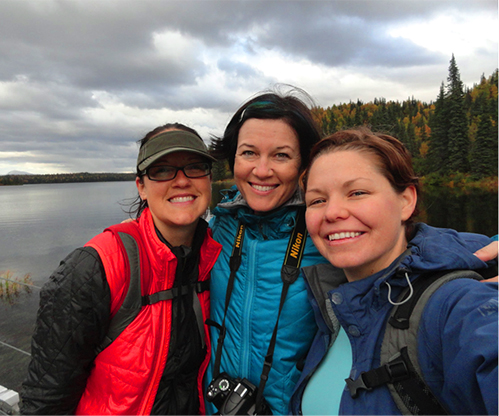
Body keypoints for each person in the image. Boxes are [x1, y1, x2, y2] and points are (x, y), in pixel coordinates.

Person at [290, 127, 498, 415]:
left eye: (357, 192)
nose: (332, 212)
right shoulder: (333, 304)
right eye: (317, 200)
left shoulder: (453, 304)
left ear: (406, 201)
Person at [20, 124, 222, 415]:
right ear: (141, 186)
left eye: (195, 167)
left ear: (209, 179)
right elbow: (46, 398)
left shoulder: (215, 260)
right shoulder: (96, 267)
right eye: (163, 170)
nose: (182, 181)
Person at [204, 87, 328, 415]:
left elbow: (401, 242)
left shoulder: (327, 232)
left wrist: (473, 262)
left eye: (281, 155)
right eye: (249, 153)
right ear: (233, 159)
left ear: (303, 164)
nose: (261, 170)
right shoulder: (219, 227)